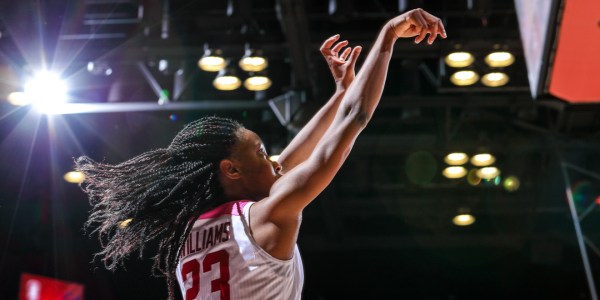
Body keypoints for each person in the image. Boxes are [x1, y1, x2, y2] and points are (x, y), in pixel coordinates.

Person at [76, 8, 446, 300]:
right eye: (261, 151)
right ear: (231, 169)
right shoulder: (270, 216)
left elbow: (286, 162)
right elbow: (356, 117)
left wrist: (339, 95)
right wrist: (388, 36)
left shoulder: (191, 232)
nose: (274, 160)